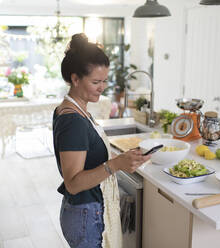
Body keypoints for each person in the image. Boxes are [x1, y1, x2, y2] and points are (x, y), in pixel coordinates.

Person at [53, 33, 151, 248]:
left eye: (105, 80)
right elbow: (74, 183)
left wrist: (124, 158)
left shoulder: (76, 109)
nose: (102, 87)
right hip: (86, 215)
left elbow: (88, 156)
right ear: (75, 78)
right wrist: (116, 164)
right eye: (96, 81)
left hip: (86, 211)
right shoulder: (73, 120)